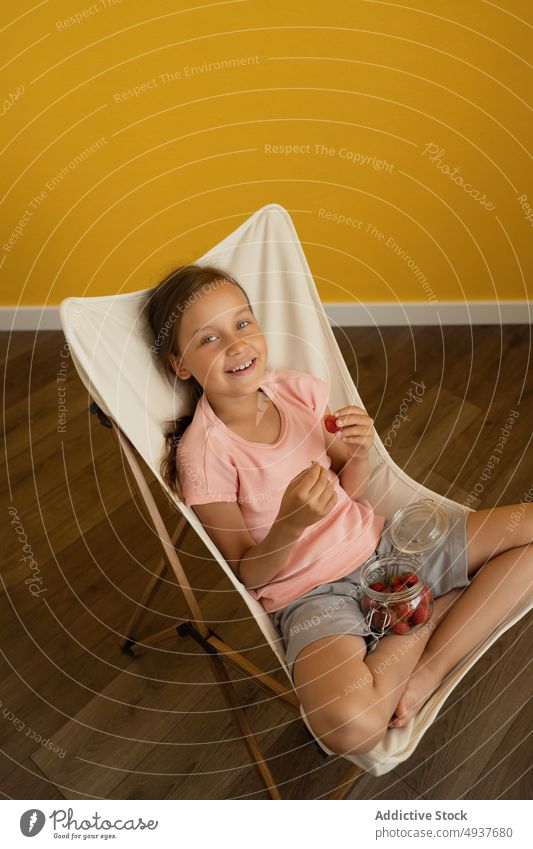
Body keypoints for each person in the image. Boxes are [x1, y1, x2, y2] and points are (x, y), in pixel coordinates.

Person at [144, 263, 533, 756]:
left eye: (242, 323)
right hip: (313, 598)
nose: (236, 345)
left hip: (386, 548)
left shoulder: (296, 392)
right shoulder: (204, 456)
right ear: (180, 365)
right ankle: (426, 616)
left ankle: (426, 664)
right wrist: (291, 523)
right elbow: (248, 571)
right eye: (208, 339)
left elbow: (352, 486)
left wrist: (359, 451)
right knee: (351, 727)